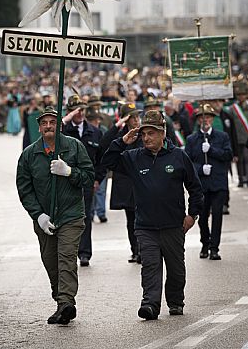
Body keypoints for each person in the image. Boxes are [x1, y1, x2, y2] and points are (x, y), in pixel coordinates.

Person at [102, 110, 203, 320]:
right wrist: (122, 141)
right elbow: (108, 162)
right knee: (150, 266)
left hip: (173, 225)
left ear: (163, 133)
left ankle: (175, 301)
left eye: (152, 133)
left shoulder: (178, 156)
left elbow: (195, 188)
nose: (146, 138)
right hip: (145, 226)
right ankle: (150, 304)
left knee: (176, 270)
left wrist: (192, 215)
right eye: (144, 134)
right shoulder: (134, 157)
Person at [16, 106, 94, 325]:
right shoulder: (29, 155)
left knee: (66, 258)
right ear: (39, 127)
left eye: (53, 122)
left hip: (70, 214)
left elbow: (89, 177)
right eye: (44, 123)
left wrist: (69, 171)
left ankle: (67, 302)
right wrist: (38, 215)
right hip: (44, 219)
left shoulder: (74, 147)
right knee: (51, 263)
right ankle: (61, 302)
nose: (48, 126)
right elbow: (24, 188)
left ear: (60, 125)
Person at [185, 104, 233, 261]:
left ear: (212, 119)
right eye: (201, 117)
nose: (205, 120)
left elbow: (228, 155)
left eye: (208, 117)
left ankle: (214, 248)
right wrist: (200, 169)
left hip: (218, 184)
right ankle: (205, 243)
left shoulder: (222, 137)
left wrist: (211, 150)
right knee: (203, 217)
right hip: (202, 185)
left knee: (217, 216)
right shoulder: (192, 140)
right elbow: (187, 162)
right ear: (198, 120)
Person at [62, 95, 104, 267]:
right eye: (75, 110)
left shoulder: (95, 132)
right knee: (67, 218)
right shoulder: (63, 130)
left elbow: (102, 159)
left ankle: (84, 253)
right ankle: (69, 252)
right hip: (66, 181)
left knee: (85, 216)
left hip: (86, 182)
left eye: (82, 110)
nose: (79, 113)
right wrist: (66, 119)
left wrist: (97, 179)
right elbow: (50, 134)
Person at [100, 102, 143, 263]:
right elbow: (104, 145)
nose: (136, 121)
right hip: (126, 184)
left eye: (138, 117)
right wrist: (118, 125)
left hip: (141, 183)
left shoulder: (143, 133)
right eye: (132, 118)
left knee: (142, 219)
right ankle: (135, 250)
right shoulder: (120, 134)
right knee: (131, 219)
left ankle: (143, 250)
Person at [210, 99, 239, 214]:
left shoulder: (227, 116)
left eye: (220, 102)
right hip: (210, 152)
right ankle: (212, 204)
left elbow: (233, 134)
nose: (218, 104)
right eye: (215, 102)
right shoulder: (207, 117)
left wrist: (235, 153)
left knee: (224, 178)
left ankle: (225, 203)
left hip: (224, 152)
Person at [229, 83, 248, 187]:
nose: (241, 96)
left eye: (243, 94)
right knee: (239, 159)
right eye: (239, 95)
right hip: (237, 138)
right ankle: (241, 179)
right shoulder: (233, 109)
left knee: (247, 159)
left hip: (247, 137)